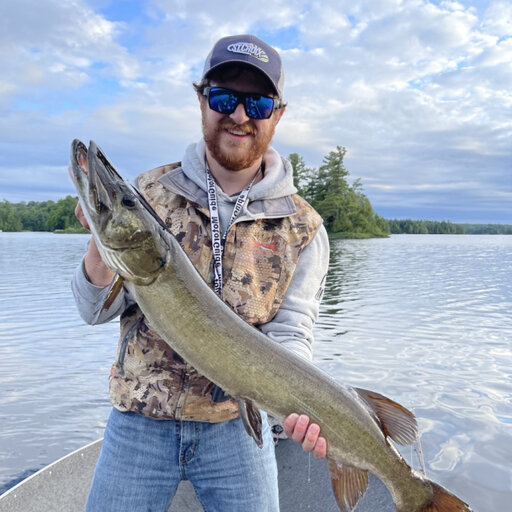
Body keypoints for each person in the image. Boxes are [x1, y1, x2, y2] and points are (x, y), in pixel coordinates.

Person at [72, 34, 330, 512]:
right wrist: (101, 241)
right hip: (139, 420)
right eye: (224, 97)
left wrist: (302, 404)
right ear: (201, 99)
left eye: (257, 101)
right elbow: (91, 311)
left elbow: (292, 334)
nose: (239, 114)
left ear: (277, 113)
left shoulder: (304, 228)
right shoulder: (147, 192)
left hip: (237, 429)